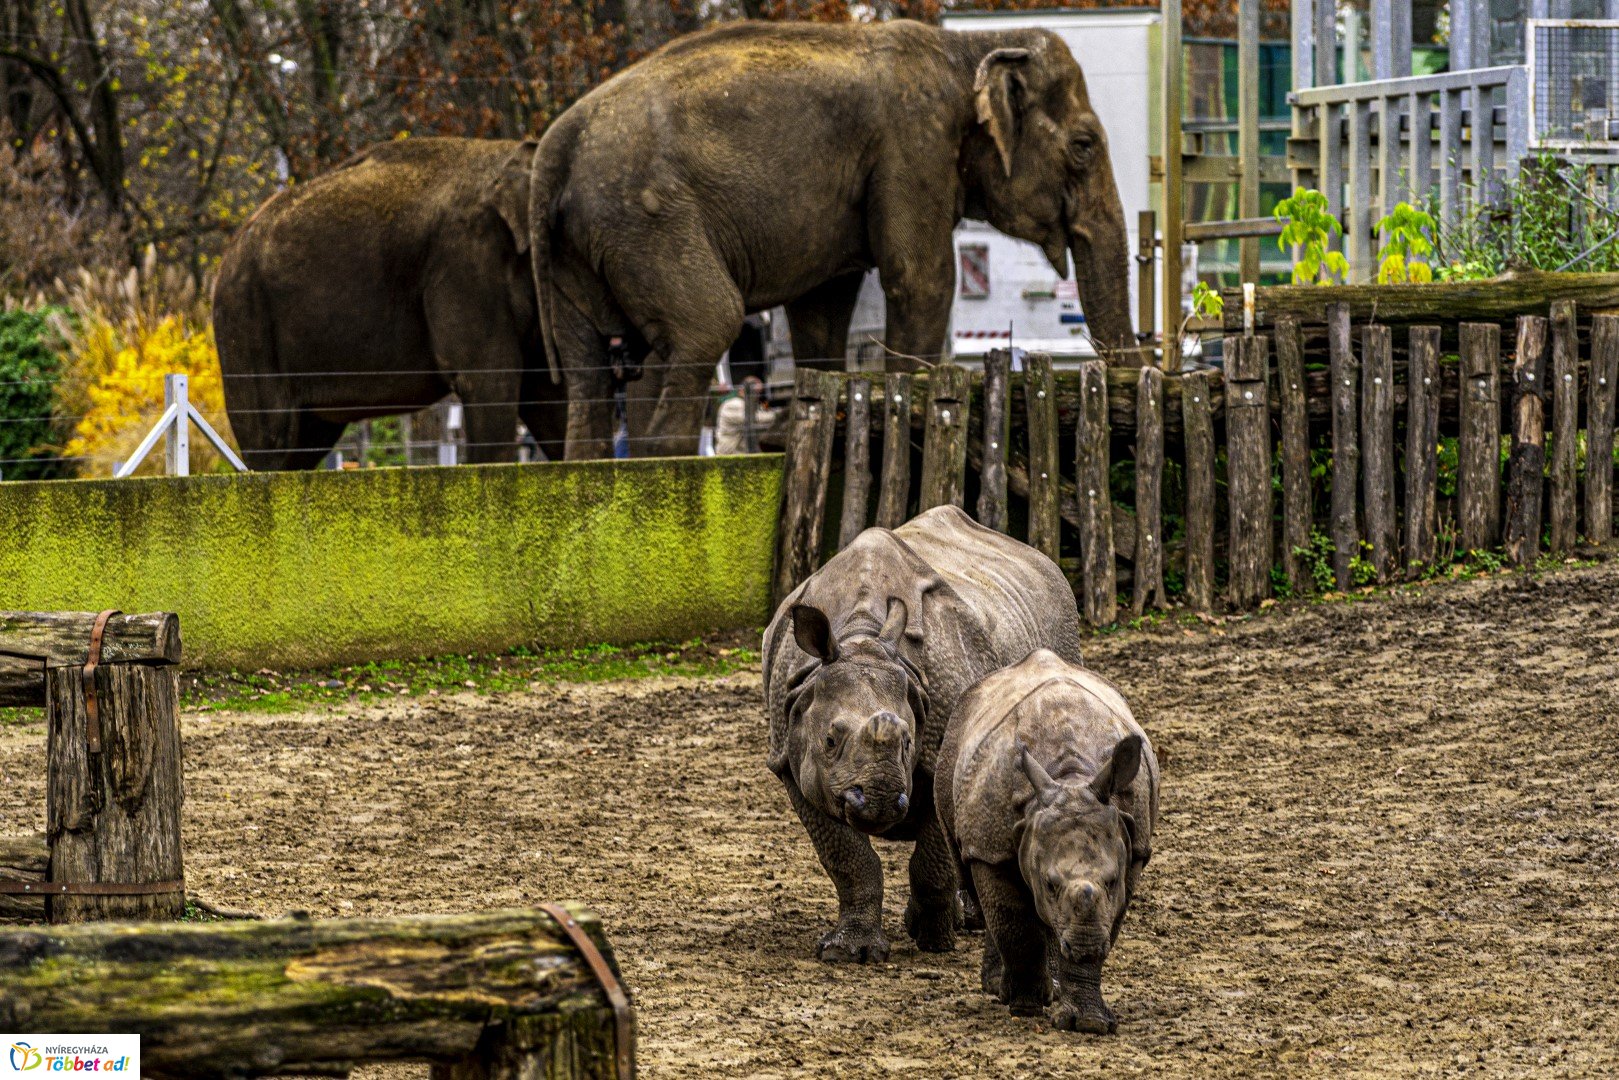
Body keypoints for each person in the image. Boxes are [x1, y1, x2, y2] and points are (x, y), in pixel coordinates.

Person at [713, 376, 773, 455]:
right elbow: (753, 419)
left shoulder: (750, 405)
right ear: (744, 390)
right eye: (755, 392)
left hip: (743, 451)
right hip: (729, 453)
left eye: (759, 393)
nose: (757, 396)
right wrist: (777, 415)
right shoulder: (732, 404)